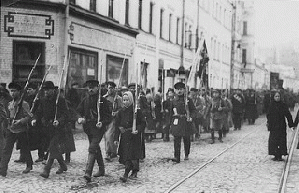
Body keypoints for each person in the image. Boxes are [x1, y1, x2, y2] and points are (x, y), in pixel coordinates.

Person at [76, 79, 112, 183]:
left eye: (93, 87)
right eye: (89, 87)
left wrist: (102, 122)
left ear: (98, 88)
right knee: (95, 148)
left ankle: (88, 172)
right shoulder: (85, 99)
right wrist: (79, 118)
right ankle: (101, 169)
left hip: (98, 129)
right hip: (88, 128)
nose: (90, 89)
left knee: (92, 148)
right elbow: (78, 111)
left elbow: (108, 117)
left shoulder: (102, 101)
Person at [31, 81, 69, 178]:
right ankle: (63, 165)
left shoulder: (60, 100)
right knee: (54, 147)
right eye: (44, 90)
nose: (46, 92)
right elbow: (39, 112)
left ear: (53, 90)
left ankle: (46, 170)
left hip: (59, 128)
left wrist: (59, 121)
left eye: (48, 90)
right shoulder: (43, 100)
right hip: (47, 129)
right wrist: (35, 119)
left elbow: (66, 114)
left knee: (52, 148)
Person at [0, 82, 33, 177]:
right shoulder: (10, 103)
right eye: (11, 91)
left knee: (25, 148)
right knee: (6, 149)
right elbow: (8, 116)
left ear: (19, 92)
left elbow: (29, 116)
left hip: (21, 130)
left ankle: (29, 165)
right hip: (11, 129)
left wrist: (20, 121)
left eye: (14, 91)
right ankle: (3, 169)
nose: (12, 93)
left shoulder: (24, 104)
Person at [114, 91, 146, 182]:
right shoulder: (120, 112)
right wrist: (116, 138)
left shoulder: (136, 111)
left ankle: (127, 174)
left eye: (127, 100)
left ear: (131, 100)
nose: (125, 102)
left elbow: (143, 123)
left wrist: (138, 129)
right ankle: (131, 171)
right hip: (125, 136)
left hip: (134, 136)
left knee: (132, 156)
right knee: (126, 155)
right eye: (124, 100)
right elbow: (117, 125)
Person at [170, 82, 196, 163]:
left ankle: (186, 154)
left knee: (186, 139)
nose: (179, 91)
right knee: (176, 139)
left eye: (181, 89)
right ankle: (176, 157)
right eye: (177, 89)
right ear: (175, 91)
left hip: (186, 121)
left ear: (184, 90)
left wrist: (191, 117)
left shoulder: (188, 100)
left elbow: (194, 110)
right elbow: (170, 112)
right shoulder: (173, 101)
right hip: (177, 121)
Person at [267, 91, 294, 161]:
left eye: (278, 96)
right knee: (274, 140)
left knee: (281, 140)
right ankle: (275, 154)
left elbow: (288, 115)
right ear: (273, 97)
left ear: (280, 97)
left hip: (281, 125)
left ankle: (280, 154)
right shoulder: (271, 105)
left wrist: (291, 124)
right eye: (276, 96)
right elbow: (269, 115)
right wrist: (269, 124)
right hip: (273, 125)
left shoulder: (283, 105)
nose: (277, 97)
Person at [103, 81, 122, 162]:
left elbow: (122, 109)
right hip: (105, 119)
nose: (110, 89)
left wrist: (116, 112)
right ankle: (112, 152)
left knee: (109, 135)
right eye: (108, 88)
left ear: (114, 89)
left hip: (114, 119)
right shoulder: (104, 98)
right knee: (106, 136)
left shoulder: (118, 98)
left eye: (111, 88)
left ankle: (108, 153)